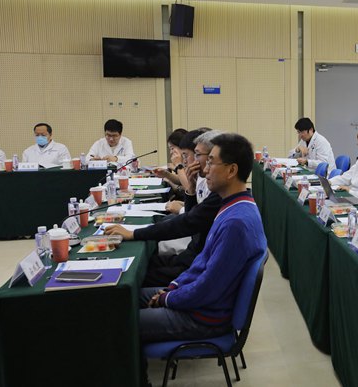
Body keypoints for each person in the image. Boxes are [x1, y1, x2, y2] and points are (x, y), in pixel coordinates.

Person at [138, 132, 266, 345]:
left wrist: (167, 298)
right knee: (127, 298)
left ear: (231, 170)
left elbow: (208, 287)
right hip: (197, 302)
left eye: (211, 163)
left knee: (120, 320)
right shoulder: (231, 206)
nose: (205, 170)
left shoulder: (236, 223)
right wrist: (174, 287)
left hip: (204, 317)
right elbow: (202, 262)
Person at [106, 130, 223, 287]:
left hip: (194, 265)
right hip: (191, 256)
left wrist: (133, 233)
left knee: (133, 279)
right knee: (140, 266)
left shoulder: (221, 199)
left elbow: (187, 223)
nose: (205, 168)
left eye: (208, 160)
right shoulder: (212, 188)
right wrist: (191, 189)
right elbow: (191, 218)